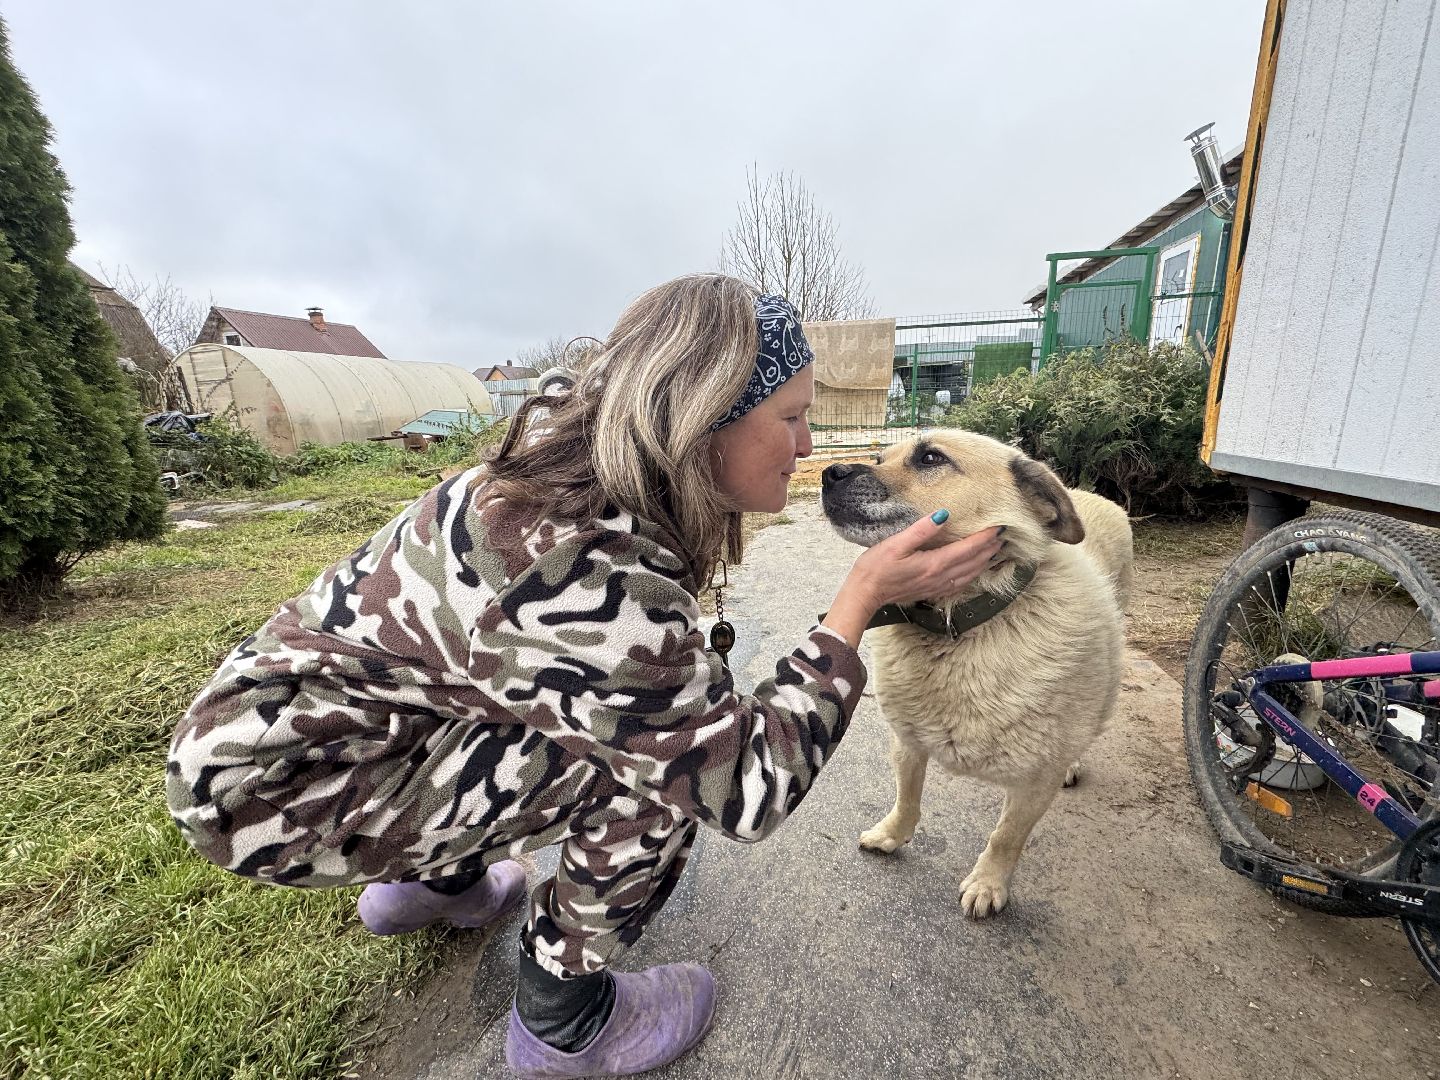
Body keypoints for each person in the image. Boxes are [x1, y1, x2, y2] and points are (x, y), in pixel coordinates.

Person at [166, 274, 1001, 1078]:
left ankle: (434, 886)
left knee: (591, 706)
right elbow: (745, 787)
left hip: (312, 736)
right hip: (280, 795)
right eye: (790, 417)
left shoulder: (564, 462)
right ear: (705, 420)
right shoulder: (582, 571)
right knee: (660, 772)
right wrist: (856, 604)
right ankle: (565, 1021)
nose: (808, 445)